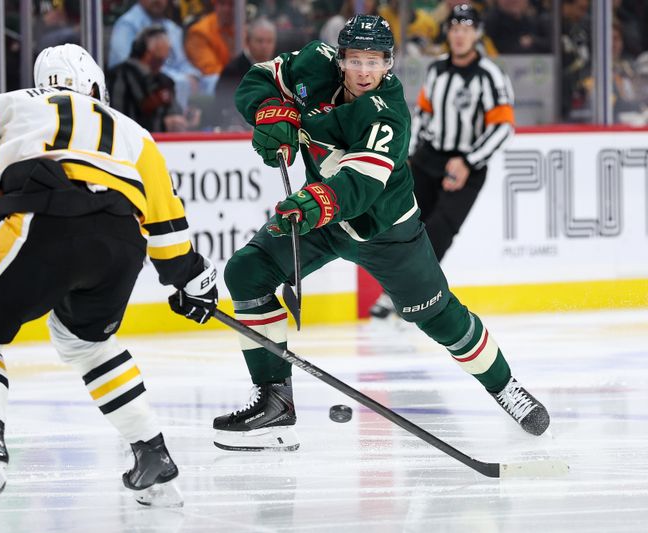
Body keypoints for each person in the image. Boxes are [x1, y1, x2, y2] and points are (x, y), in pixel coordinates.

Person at [0, 43, 218, 520]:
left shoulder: (15, 102)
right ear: (95, 86)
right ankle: (153, 453)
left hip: (41, 215)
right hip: (121, 240)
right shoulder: (135, 133)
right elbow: (168, 232)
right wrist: (189, 283)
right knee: (88, 345)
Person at [210, 14, 549, 452]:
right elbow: (258, 77)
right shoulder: (313, 62)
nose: (365, 72)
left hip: (385, 230)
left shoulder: (388, 113)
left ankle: (505, 387)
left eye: (375, 61)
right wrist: (269, 112)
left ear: (389, 63)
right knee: (246, 271)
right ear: (341, 58)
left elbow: (359, 186)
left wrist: (312, 204)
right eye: (356, 60)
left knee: (439, 316)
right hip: (324, 222)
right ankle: (276, 402)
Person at [369, 4, 515, 319]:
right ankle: (393, 291)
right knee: (407, 224)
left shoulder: (490, 75)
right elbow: (424, 114)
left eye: (466, 28)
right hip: (429, 158)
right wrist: (408, 156)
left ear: (477, 33)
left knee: (439, 229)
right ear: (448, 32)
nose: (459, 35)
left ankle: (412, 294)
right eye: (454, 28)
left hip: (467, 166)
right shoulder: (436, 69)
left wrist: (468, 161)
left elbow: (503, 127)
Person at [107, 0, 207, 107]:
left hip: (169, 98)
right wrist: (178, 78)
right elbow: (125, 68)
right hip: (136, 101)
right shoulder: (127, 24)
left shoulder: (172, 28)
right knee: (180, 83)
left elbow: (183, 63)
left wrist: (193, 76)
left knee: (209, 82)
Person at [109, 26, 190, 132]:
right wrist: (162, 125)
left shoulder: (165, 81)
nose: (162, 63)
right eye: (160, 59)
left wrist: (184, 119)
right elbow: (117, 121)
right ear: (148, 53)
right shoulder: (120, 77)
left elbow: (175, 112)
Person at [211, 16, 277, 130]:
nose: (264, 46)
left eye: (269, 41)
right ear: (247, 42)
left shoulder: (280, 67)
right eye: (260, 41)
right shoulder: (233, 71)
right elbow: (225, 107)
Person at [184, 0, 236, 77]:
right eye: (222, 4)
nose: (227, 9)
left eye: (231, 5)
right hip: (213, 84)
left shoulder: (244, 28)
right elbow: (210, 70)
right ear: (215, 5)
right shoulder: (200, 32)